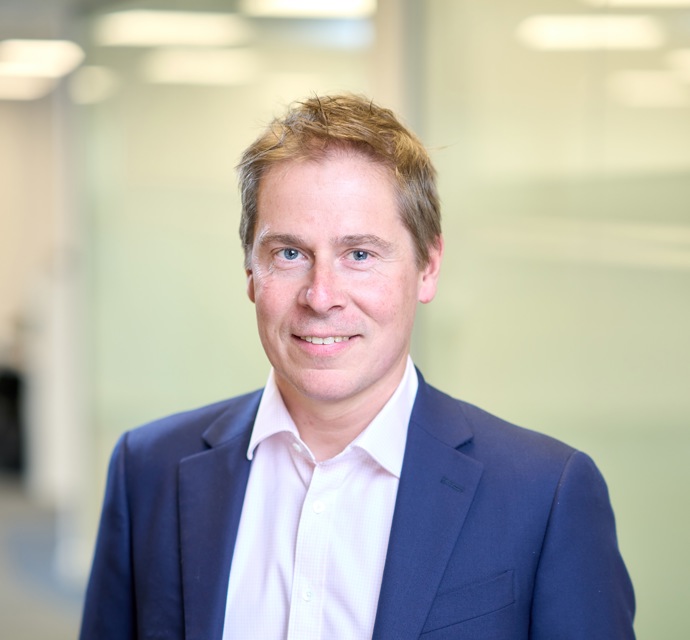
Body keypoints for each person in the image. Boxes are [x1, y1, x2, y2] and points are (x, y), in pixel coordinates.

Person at [79, 94, 635, 639]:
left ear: (428, 267)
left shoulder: (544, 494)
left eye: (360, 255)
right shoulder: (147, 470)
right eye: (289, 254)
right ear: (250, 270)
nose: (321, 296)